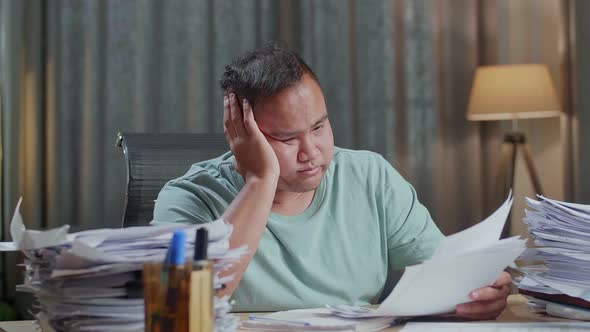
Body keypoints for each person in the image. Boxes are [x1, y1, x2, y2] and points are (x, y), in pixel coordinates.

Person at [153, 42, 511, 319]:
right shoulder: (187, 198)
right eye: (287, 139)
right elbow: (181, 306)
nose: (312, 151)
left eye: (319, 127)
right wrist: (260, 179)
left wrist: (473, 296)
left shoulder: (371, 177)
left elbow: (443, 280)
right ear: (240, 134)